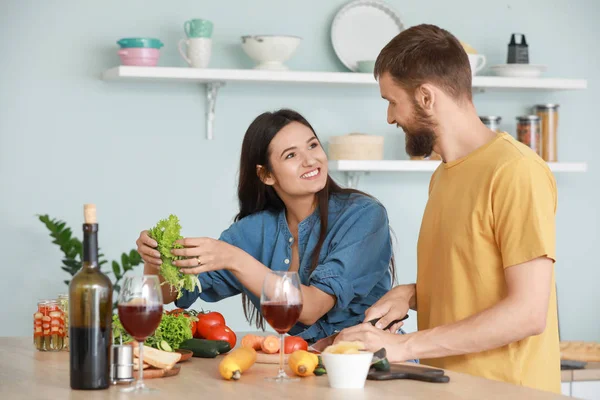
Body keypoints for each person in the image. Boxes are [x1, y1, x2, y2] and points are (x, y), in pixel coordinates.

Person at [335, 24, 561, 394]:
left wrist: (404, 346)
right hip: (449, 388)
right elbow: (476, 278)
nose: (390, 118)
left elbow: (527, 312)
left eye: (392, 101)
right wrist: (411, 294)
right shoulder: (443, 176)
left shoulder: (515, 171)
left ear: (426, 97)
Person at [137, 109, 396, 343]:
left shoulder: (363, 215)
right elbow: (168, 294)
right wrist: (155, 258)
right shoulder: (253, 231)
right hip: (302, 367)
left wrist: (233, 258)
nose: (310, 160)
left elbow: (311, 307)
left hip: (372, 365)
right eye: (291, 155)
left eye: (313, 146)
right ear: (266, 175)